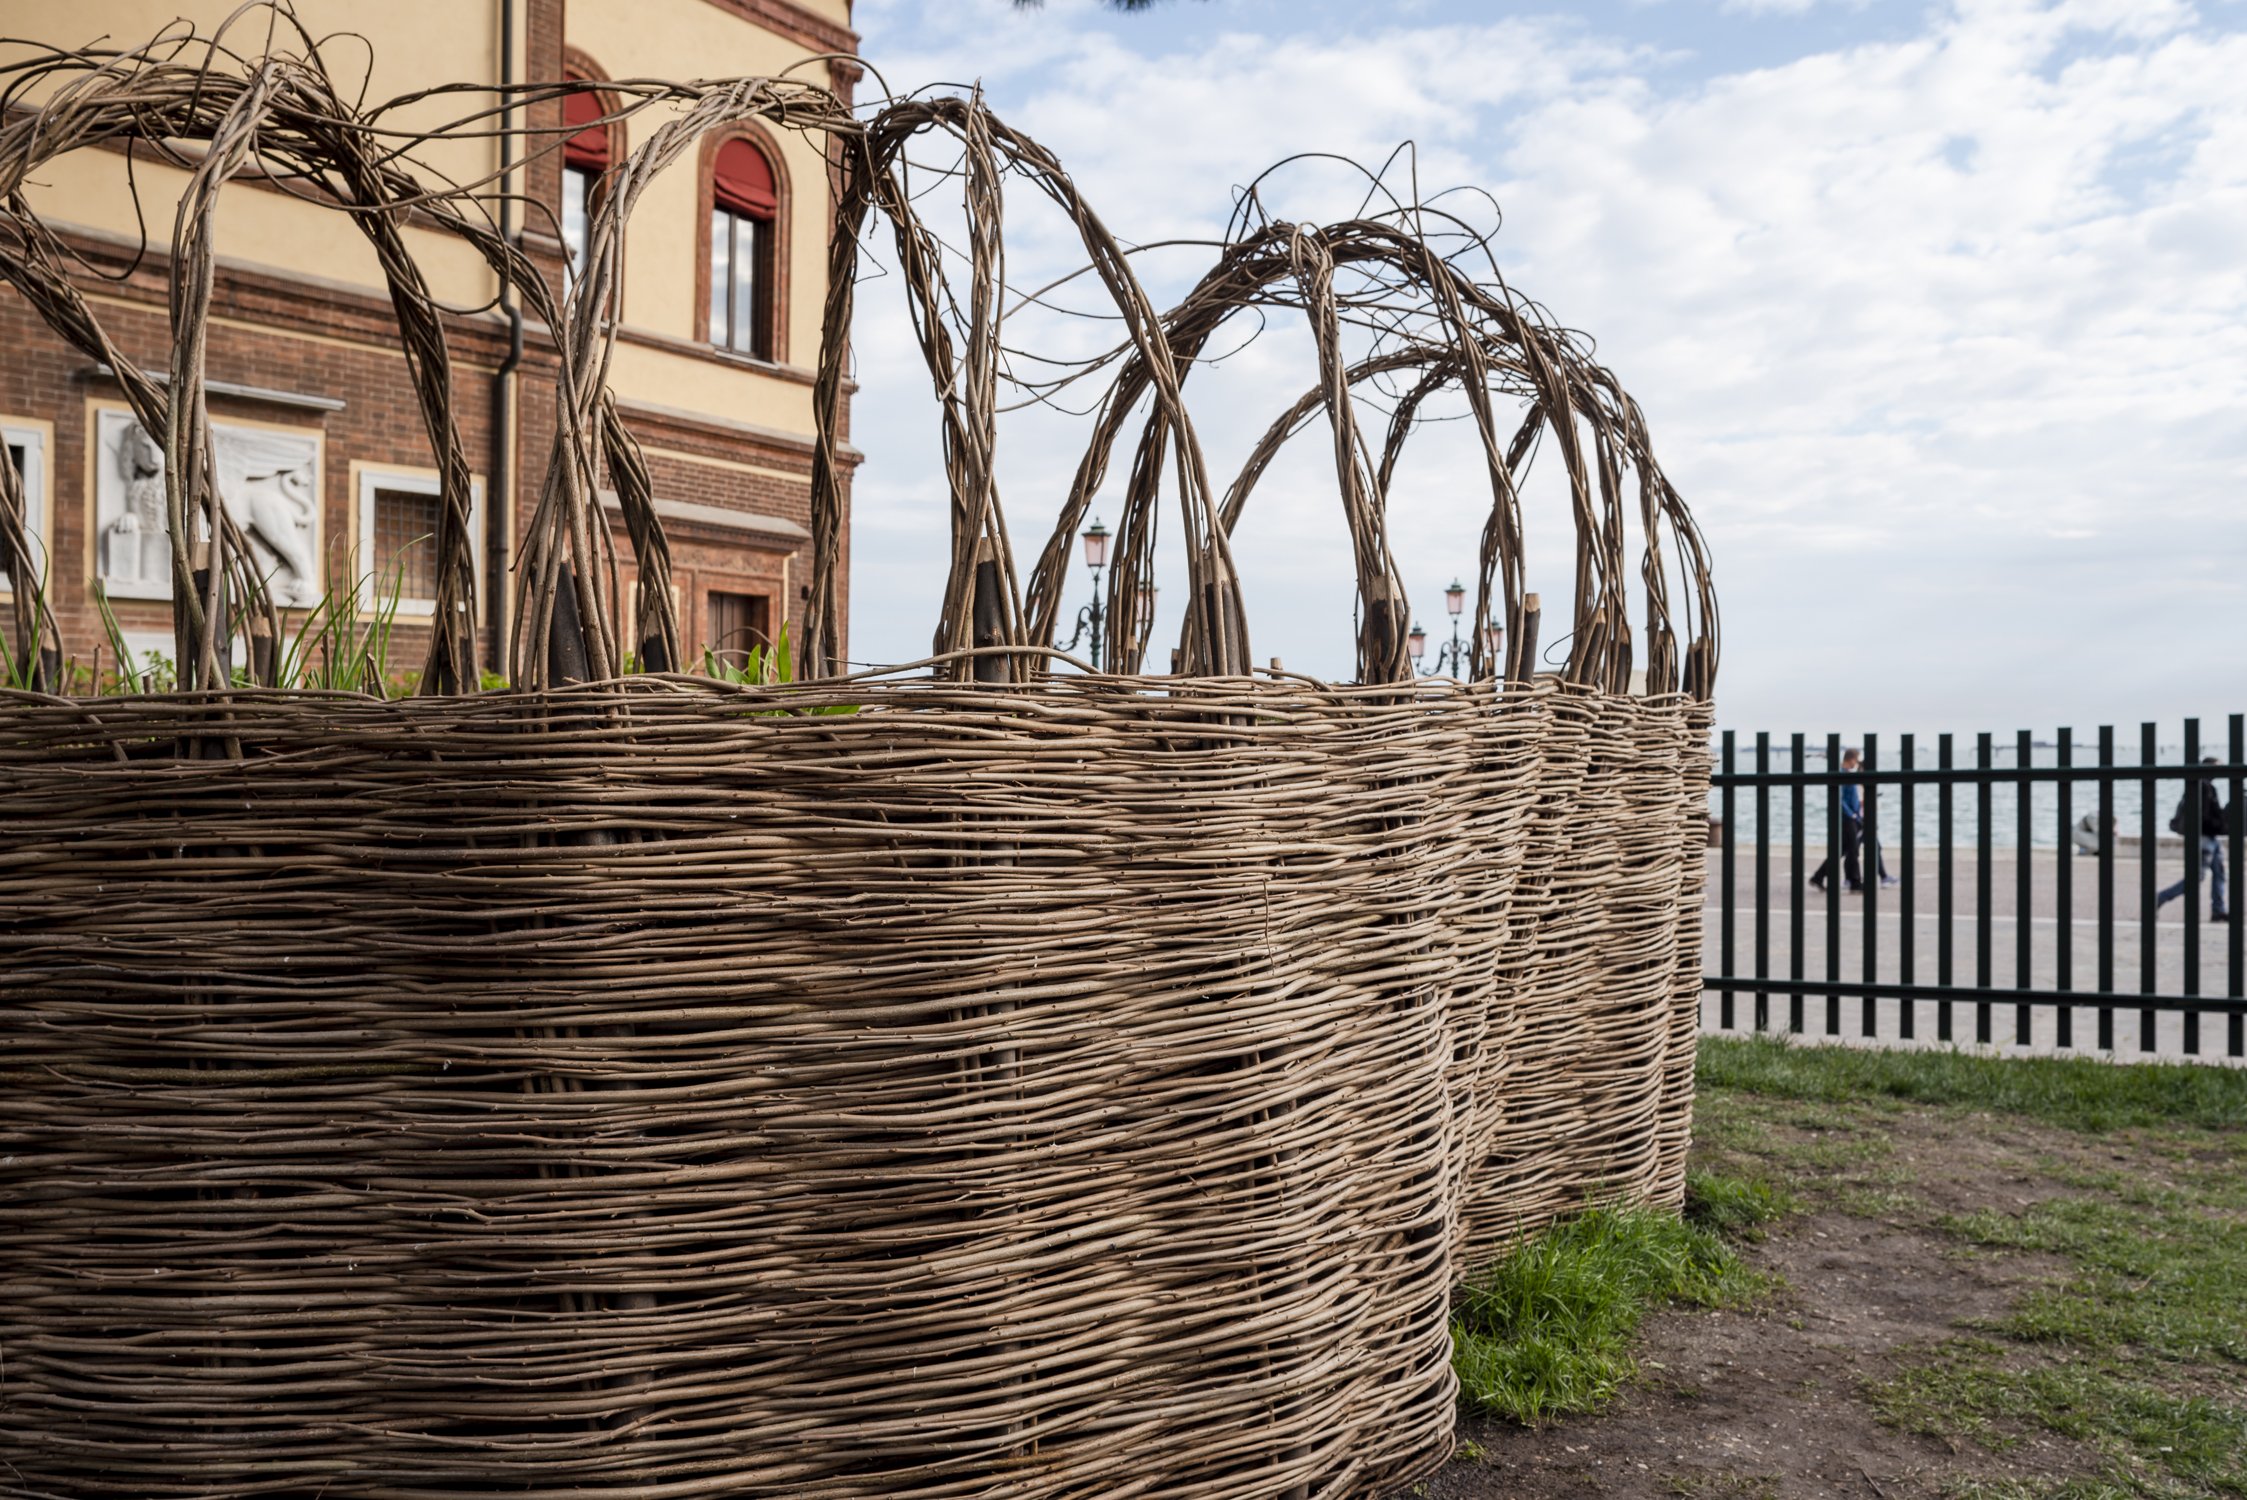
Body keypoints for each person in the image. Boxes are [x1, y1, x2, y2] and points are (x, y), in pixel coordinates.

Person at [2155, 757, 2230, 920]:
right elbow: (2202, 817)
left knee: (2220, 873)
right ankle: (2159, 898)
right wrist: (2222, 825)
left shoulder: (2203, 786)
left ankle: (2218, 910)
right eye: (2218, 768)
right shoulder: (2203, 787)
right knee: (2197, 877)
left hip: (2210, 838)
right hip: (2204, 837)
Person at [1809, 748, 1866, 893]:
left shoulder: (1847, 774)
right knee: (1852, 850)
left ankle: (1818, 876)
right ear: (1851, 758)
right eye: (1856, 759)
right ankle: (1855, 882)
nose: (1857, 763)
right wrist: (1852, 815)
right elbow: (1839, 799)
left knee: (1840, 851)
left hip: (1851, 817)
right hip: (1847, 819)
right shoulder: (1842, 774)